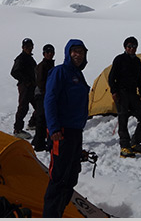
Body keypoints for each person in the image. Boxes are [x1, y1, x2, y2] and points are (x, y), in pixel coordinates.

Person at [43, 39, 90, 218]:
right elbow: (50, 100)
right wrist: (54, 128)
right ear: (68, 53)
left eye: (82, 52)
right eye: (75, 51)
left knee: (71, 176)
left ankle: (59, 213)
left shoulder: (77, 74)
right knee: (58, 177)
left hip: (75, 132)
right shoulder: (60, 72)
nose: (78, 55)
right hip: (60, 133)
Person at [108, 36, 141, 158]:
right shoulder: (119, 59)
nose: (132, 49)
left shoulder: (137, 61)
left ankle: (135, 142)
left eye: (134, 46)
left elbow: (139, 79)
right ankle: (124, 146)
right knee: (123, 119)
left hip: (133, 93)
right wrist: (114, 91)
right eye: (129, 46)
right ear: (125, 47)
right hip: (121, 93)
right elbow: (111, 77)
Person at [10, 37, 38, 139]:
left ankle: (32, 123)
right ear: (22, 47)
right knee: (23, 107)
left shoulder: (29, 58)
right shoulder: (21, 58)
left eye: (30, 46)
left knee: (39, 106)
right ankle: (17, 130)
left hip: (32, 87)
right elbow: (14, 72)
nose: (29, 48)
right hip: (25, 87)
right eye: (27, 47)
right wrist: (26, 81)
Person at [31, 44, 55, 152]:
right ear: (44, 54)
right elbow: (40, 82)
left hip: (45, 94)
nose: (50, 54)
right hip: (41, 94)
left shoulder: (50, 64)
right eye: (48, 52)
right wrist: (47, 92)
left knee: (43, 117)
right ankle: (39, 144)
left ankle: (37, 140)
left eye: (51, 52)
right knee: (41, 118)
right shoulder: (42, 65)